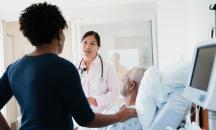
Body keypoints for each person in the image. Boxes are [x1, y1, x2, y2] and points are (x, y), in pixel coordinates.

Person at [0, 2, 136, 130]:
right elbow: (86, 119)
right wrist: (119, 116)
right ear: (59, 34)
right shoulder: (64, 68)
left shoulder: (13, 68)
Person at [77, 31, 119, 113]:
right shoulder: (75, 68)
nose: (88, 46)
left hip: (103, 115)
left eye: (92, 43)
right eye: (85, 42)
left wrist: (95, 100)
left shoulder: (107, 67)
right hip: (82, 116)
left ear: (98, 47)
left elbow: (115, 93)